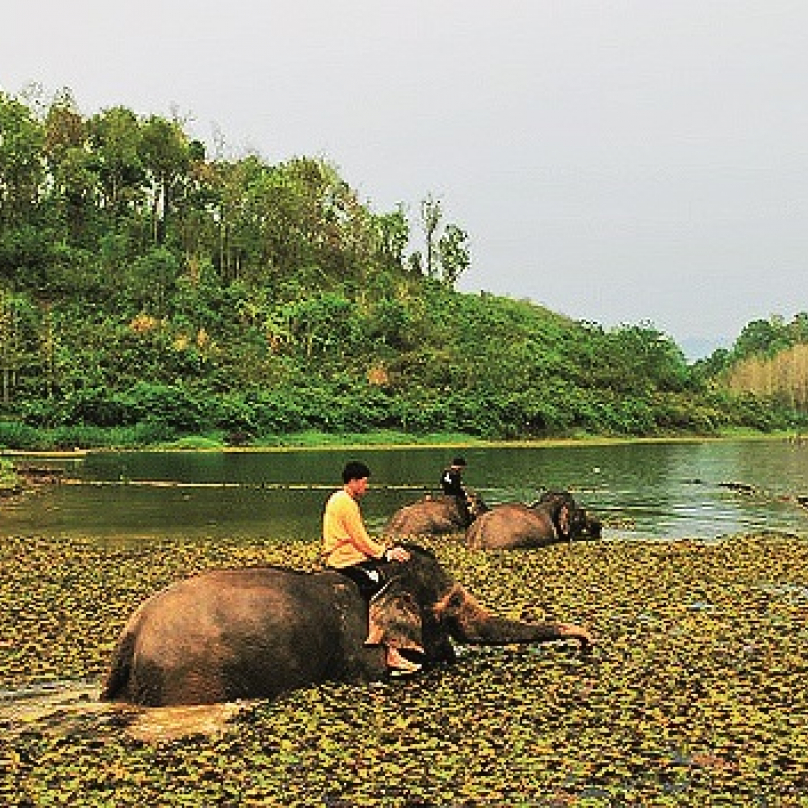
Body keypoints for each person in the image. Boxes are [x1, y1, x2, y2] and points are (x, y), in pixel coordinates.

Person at [322, 460, 421, 674]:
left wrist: (381, 551)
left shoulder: (337, 498)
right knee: (381, 582)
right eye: (364, 483)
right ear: (354, 482)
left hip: (346, 554)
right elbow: (359, 538)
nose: (366, 488)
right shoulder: (346, 504)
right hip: (345, 559)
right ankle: (389, 649)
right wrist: (385, 553)